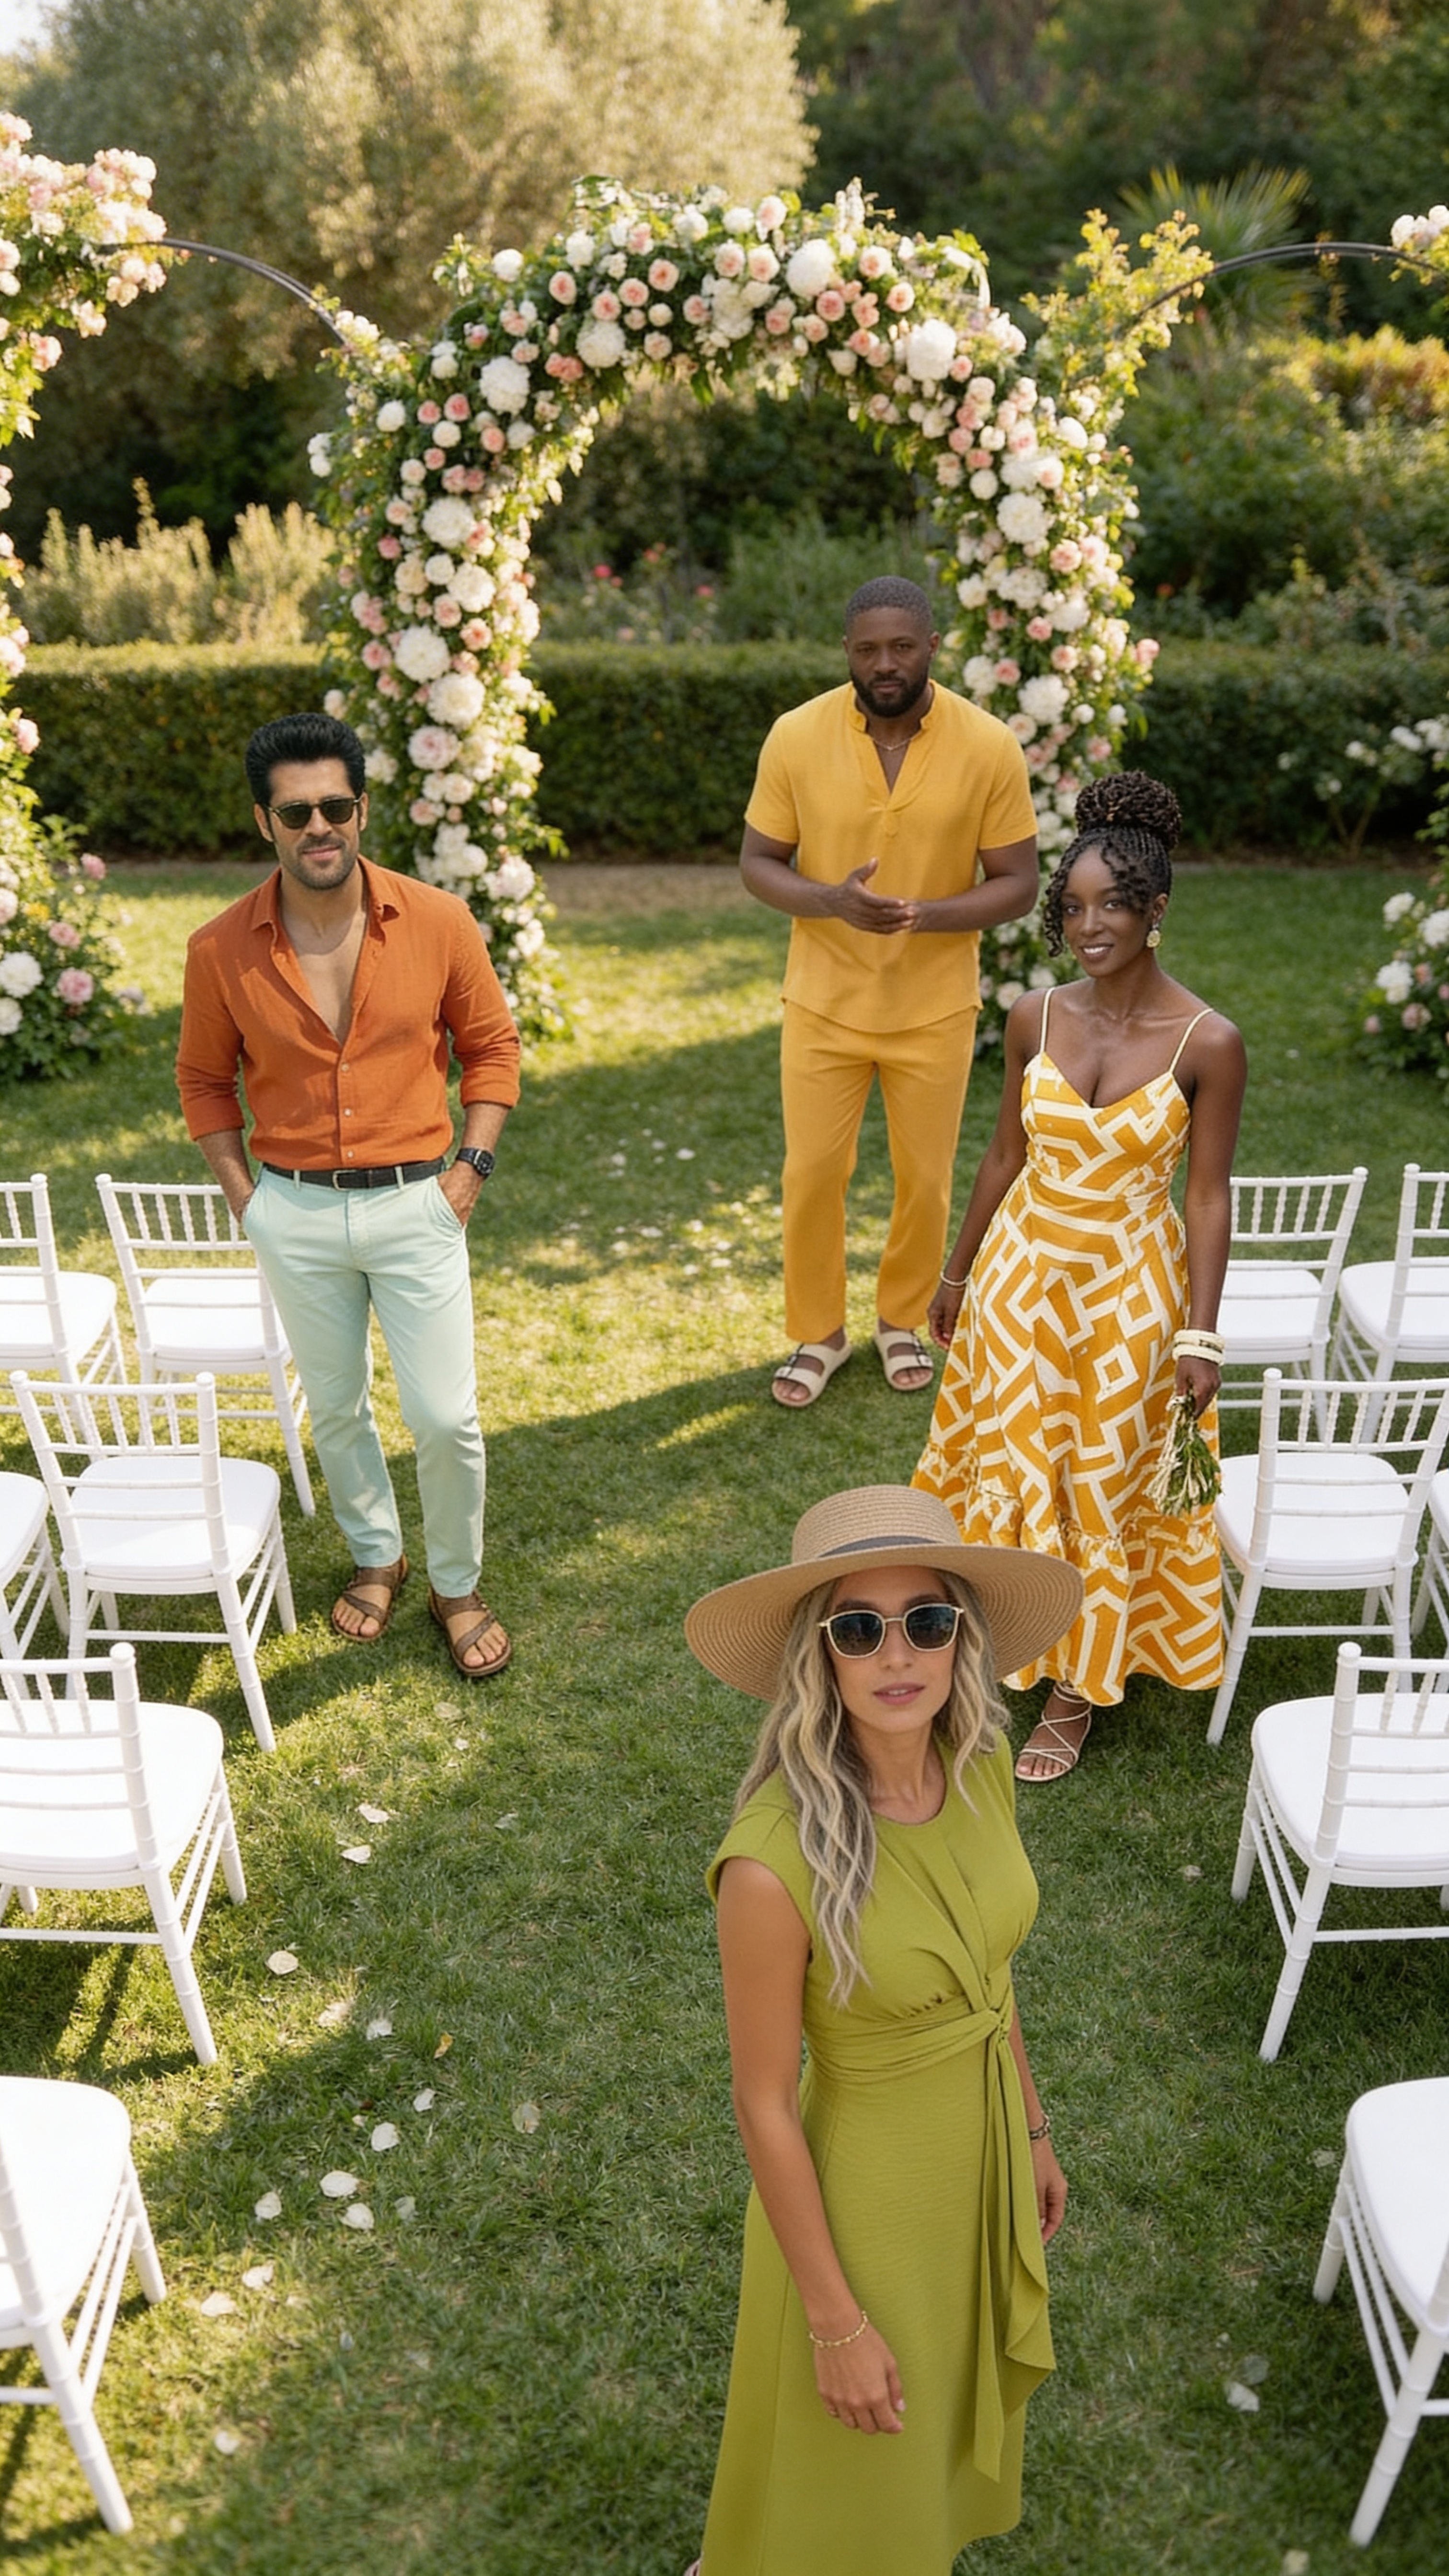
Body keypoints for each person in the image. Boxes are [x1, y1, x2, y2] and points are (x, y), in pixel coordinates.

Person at [682, 1484, 1082, 2576]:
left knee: (935, 2426)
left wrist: (1034, 2133)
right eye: (859, 1628)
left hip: (983, 2151)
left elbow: (988, 1979)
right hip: (870, 2198)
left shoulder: (985, 1767)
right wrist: (834, 2320)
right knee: (852, 2451)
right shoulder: (772, 1866)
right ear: (823, 1659)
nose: (896, 1654)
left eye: (928, 1621)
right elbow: (763, 2100)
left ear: (964, 1636)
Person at [914, 772, 1247, 1782]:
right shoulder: (1033, 1017)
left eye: (1112, 905)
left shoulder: (1210, 1042)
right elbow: (1003, 1158)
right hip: (1023, 1283)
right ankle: (988, 1643)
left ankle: (1075, 1691)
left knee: (1096, 1483)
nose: (1089, 925)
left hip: (1129, 1294)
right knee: (1008, 1462)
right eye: (1072, 907)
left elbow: (1206, 1199)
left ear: (1157, 911)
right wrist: (956, 1275)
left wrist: (1199, 1334)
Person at [175, 709, 521, 1680]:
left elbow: (492, 1048)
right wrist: (247, 1197)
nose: (318, 826)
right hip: (293, 1210)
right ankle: (380, 1554)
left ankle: (457, 1583)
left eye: (336, 806)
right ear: (266, 824)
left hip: (421, 1202)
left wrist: (470, 1170)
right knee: (336, 1407)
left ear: (362, 809)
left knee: (446, 1417)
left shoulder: (439, 921)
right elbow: (204, 1081)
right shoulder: (220, 950)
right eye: (297, 813)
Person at [740, 576, 1038, 1409]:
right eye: (868, 648)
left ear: (932, 646)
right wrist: (830, 899)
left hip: (935, 1008)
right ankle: (819, 1333)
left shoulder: (988, 746)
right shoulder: (796, 736)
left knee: (927, 1180)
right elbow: (758, 862)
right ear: (847, 651)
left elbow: (1017, 883)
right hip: (822, 1002)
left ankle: (901, 1319)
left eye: (901, 646)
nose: (885, 663)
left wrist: (927, 915)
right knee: (813, 1174)